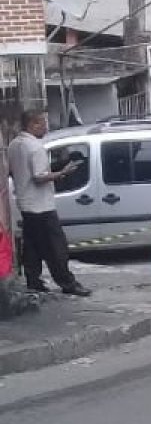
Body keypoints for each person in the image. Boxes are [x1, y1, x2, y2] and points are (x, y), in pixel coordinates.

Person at [8, 110, 91, 296]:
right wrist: (63, 173)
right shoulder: (35, 147)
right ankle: (68, 283)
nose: (46, 127)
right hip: (41, 205)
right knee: (56, 247)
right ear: (33, 125)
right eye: (43, 123)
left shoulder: (14, 145)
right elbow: (39, 177)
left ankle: (33, 280)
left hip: (25, 202)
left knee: (32, 245)